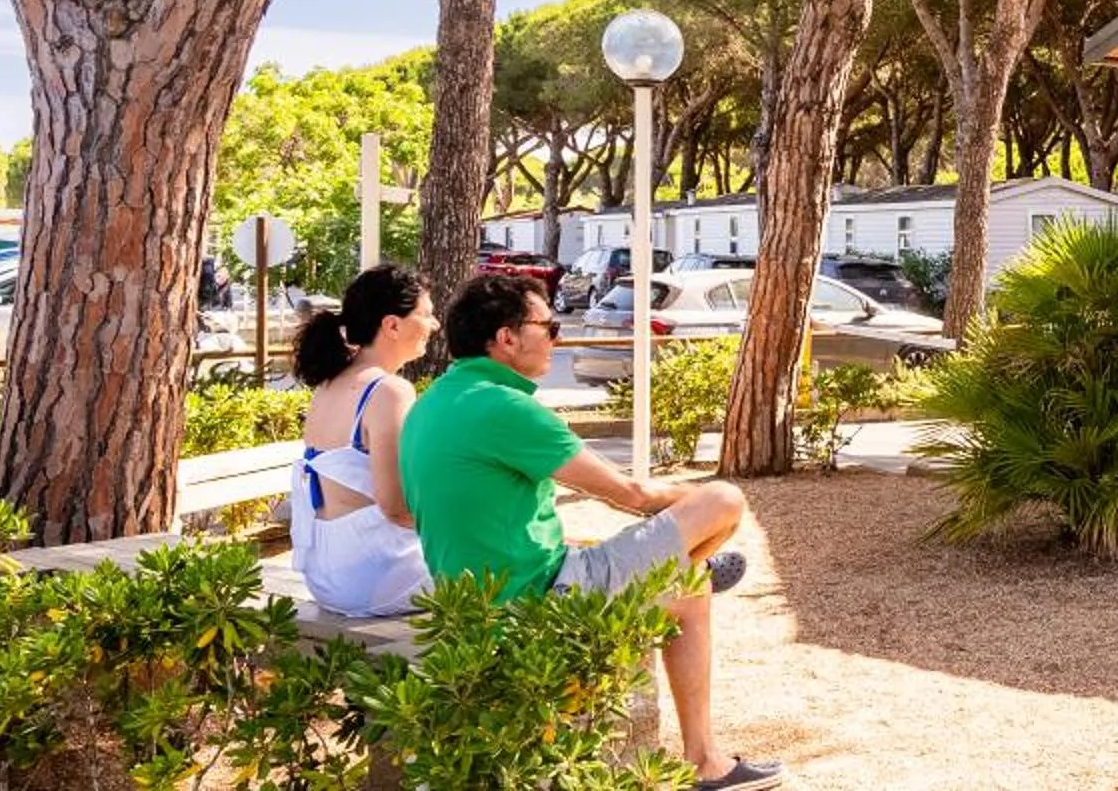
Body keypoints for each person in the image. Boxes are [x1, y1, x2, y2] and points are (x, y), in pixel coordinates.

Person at [400, 272, 779, 791]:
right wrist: (690, 512)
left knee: (686, 591)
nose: (558, 335)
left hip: (468, 603)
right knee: (723, 501)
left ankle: (706, 749)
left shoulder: (432, 402)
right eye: (549, 326)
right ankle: (703, 757)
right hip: (541, 602)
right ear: (506, 339)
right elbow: (632, 496)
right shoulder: (506, 407)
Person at [286, 263, 432, 617]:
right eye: (426, 315)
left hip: (324, 575)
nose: (435, 325)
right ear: (392, 325)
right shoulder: (389, 391)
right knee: (503, 567)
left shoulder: (329, 383)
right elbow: (395, 507)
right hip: (375, 576)